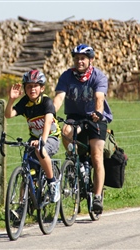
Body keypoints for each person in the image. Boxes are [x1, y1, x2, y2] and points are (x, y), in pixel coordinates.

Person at [53, 44, 113, 213]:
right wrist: (50, 112)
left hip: (96, 117)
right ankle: (76, 164)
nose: (79, 61)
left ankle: (97, 197)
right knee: (65, 132)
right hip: (75, 116)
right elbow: (59, 97)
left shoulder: (98, 76)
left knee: (96, 155)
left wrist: (98, 113)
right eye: (77, 58)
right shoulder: (66, 76)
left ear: (90, 60)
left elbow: (99, 97)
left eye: (83, 58)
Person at [5, 69, 61, 203]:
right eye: (29, 86)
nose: (32, 89)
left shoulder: (46, 102)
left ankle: (52, 183)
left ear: (42, 88)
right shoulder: (25, 102)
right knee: (27, 171)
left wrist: (42, 140)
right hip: (34, 139)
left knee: (40, 150)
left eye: (35, 86)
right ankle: (21, 205)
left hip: (51, 137)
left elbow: (48, 122)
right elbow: (8, 114)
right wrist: (11, 100)